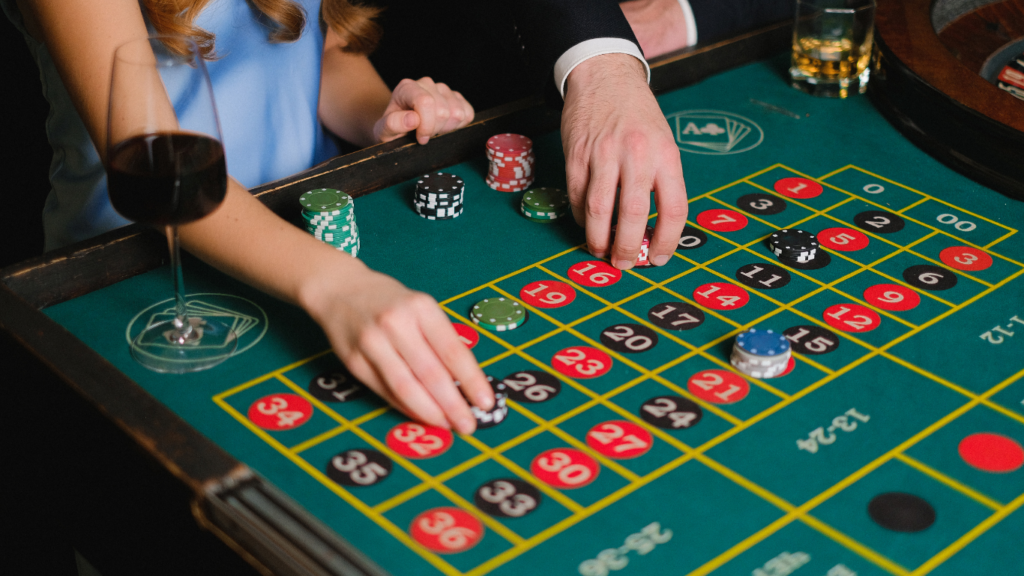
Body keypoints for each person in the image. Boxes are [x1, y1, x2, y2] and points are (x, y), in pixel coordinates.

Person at [4, 0, 686, 436]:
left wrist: (380, 115)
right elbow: (153, 164)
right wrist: (339, 286)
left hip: (309, 227)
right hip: (136, 270)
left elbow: (322, 50)